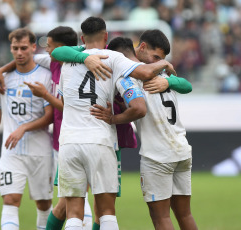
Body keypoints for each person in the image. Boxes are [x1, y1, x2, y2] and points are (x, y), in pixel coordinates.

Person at [55, 16, 176, 230]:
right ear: (106, 36)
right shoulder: (113, 57)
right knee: (106, 213)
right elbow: (146, 73)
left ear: (82, 38)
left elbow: (63, 101)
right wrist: (164, 62)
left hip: (69, 142)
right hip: (99, 140)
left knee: (73, 214)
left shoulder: (66, 62)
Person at [90, 35, 198, 230]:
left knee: (161, 218)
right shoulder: (164, 75)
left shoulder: (128, 76)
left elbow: (138, 109)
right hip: (182, 150)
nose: (157, 61)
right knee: (184, 214)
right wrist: (169, 81)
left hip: (158, 156)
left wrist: (112, 118)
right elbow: (187, 85)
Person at [0, 26, 94, 230]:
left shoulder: (82, 67)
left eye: (50, 46)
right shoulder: (52, 63)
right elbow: (26, 59)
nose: (46, 50)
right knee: (70, 199)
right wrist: (0, 70)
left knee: (76, 198)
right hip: (61, 141)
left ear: (62, 48)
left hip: (80, 137)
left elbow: (70, 107)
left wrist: (46, 96)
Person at [0, 28, 54, 230]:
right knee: (11, 199)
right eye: (15, 48)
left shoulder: (45, 76)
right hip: (11, 151)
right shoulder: (2, 78)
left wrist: (23, 128)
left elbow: (49, 116)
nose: (19, 52)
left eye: (23, 48)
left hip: (40, 151)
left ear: (32, 47)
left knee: (44, 203)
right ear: (10, 49)